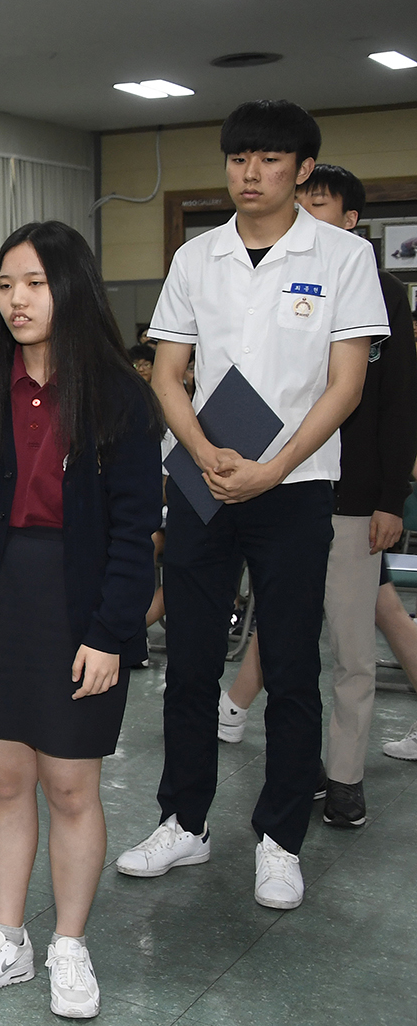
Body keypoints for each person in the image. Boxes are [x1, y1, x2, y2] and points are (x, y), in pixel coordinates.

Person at [117, 100, 387, 911]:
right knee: (191, 662)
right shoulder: (196, 258)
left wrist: (271, 469)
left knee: (294, 669)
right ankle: (184, 821)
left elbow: (346, 385)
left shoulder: (342, 257)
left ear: (303, 169)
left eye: (269, 160)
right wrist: (201, 454)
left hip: (296, 489)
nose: (250, 174)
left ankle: (279, 839)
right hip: (203, 482)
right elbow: (168, 372)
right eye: (238, 159)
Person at [0, 222, 163, 1019]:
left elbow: (137, 528)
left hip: (79, 608)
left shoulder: (118, 394)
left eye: (33, 283)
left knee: (70, 786)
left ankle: (68, 941)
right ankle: (8, 938)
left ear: (69, 288)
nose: (16, 300)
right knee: (2, 779)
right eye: (5, 286)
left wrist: (110, 631)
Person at [213, 165, 417, 828]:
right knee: (285, 634)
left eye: (318, 205)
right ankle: (265, 739)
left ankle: (346, 776)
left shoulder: (381, 292)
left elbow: (393, 404)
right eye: (302, 202)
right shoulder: (268, 278)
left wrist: (391, 498)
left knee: (353, 650)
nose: (303, 213)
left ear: (353, 223)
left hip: (351, 496)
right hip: (279, 488)